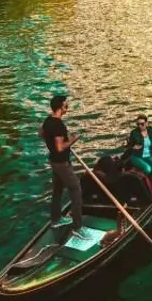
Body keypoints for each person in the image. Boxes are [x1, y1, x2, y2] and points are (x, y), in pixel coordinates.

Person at [41, 95, 86, 241]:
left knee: (58, 190)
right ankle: (78, 227)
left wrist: (52, 141)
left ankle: (56, 220)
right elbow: (60, 148)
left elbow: (41, 134)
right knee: (76, 189)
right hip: (61, 162)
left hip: (53, 161)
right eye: (66, 105)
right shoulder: (58, 125)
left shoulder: (48, 121)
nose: (68, 107)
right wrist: (73, 139)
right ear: (61, 107)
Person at [126, 115, 152, 185]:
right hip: (136, 156)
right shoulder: (134, 132)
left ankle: (144, 176)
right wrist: (133, 147)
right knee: (148, 169)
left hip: (148, 155)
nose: (140, 126)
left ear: (146, 123)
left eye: (142, 124)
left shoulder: (151, 130)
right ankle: (141, 182)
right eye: (138, 124)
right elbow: (129, 145)